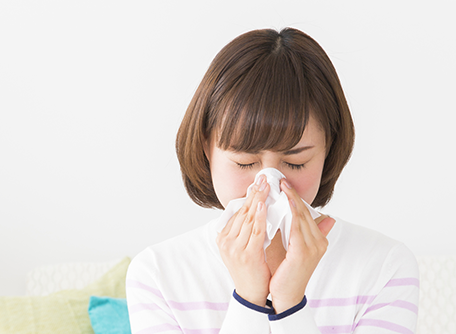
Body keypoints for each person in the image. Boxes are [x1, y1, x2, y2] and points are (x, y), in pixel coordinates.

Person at [126, 27, 419, 333]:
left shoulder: (384, 266)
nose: (269, 186)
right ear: (207, 149)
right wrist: (249, 300)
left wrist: (290, 305)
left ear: (327, 152)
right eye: (245, 162)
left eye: (295, 162)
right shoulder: (158, 274)